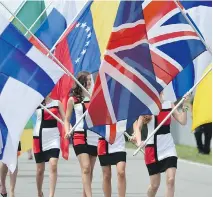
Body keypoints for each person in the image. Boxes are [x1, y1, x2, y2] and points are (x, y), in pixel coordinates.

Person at [133, 94, 188, 197]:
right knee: (154, 185)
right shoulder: (147, 104)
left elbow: (183, 121)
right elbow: (138, 127)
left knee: (171, 180)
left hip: (168, 147)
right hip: (152, 149)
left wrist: (184, 106)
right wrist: (139, 141)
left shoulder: (169, 102)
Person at [64, 71, 99, 197]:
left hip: (94, 136)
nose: (89, 82)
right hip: (79, 135)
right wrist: (67, 130)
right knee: (86, 167)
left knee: (90, 171)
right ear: (80, 82)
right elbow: (67, 119)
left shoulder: (94, 97)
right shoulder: (73, 100)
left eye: (90, 79)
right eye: (87, 80)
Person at [33, 95, 65, 197]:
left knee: (53, 164)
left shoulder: (57, 103)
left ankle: (51, 195)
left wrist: (68, 129)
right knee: (40, 170)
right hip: (39, 137)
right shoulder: (35, 103)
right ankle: (39, 192)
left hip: (54, 137)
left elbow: (65, 120)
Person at [98, 130, 127, 197]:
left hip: (119, 143)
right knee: (106, 175)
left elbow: (133, 121)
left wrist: (135, 134)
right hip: (104, 142)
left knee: (121, 172)